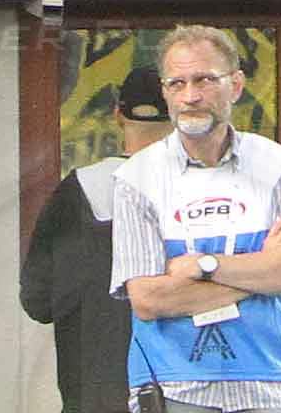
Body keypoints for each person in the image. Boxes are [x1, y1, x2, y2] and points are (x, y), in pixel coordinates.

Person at [105, 23, 281, 413]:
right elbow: (148, 299)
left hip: (269, 387)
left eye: (204, 80)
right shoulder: (136, 179)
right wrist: (262, 273)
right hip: (174, 388)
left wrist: (204, 266)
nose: (190, 96)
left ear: (235, 85)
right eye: (176, 84)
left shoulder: (275, 165)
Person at [23, 65, 171, 413]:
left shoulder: (78, 191)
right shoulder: (203, 193)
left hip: (93, 392)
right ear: (177, 115)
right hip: (184, 392)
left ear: (118, 114)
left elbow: (37, 301)